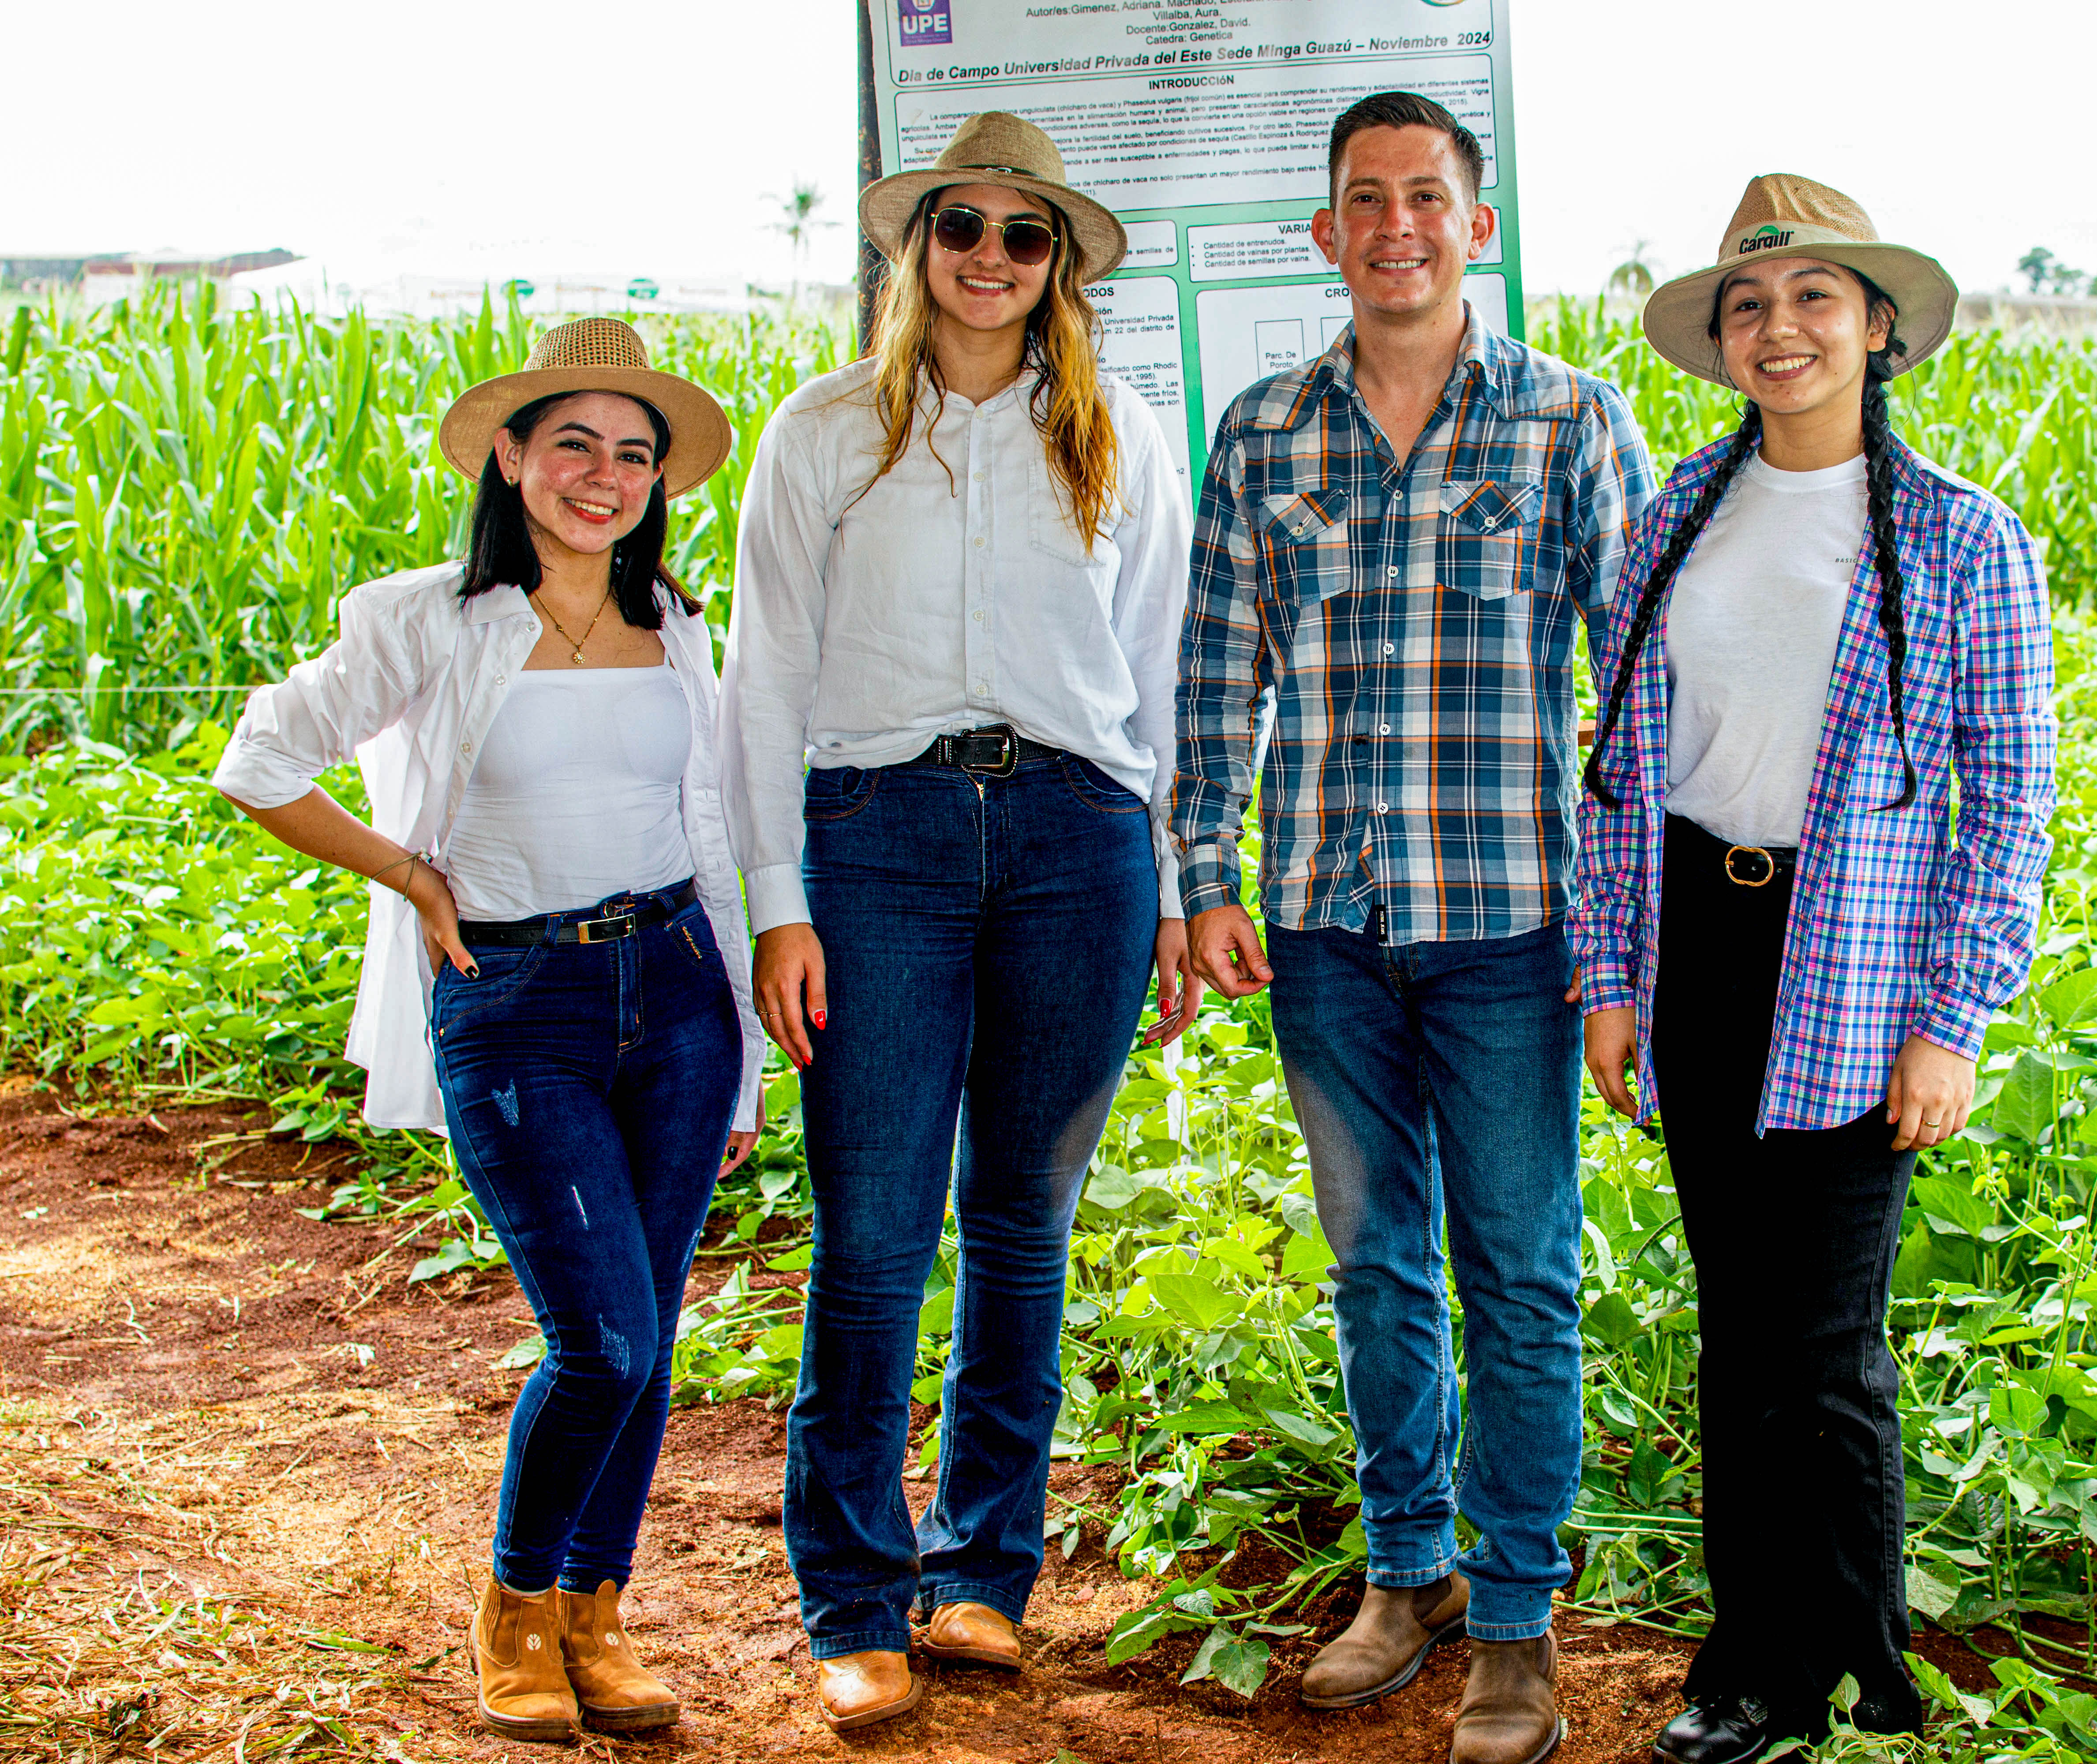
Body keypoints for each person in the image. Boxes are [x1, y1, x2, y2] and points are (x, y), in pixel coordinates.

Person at [1176, 89, 1652, 1764]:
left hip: (1514, 923)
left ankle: (1516, 1618)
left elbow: (1636, 695)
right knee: (1378, 1268)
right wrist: (1204, 874)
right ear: (1326, 233)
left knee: (1518, 1273)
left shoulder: (1570, 423)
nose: (1396, 225)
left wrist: (1627, 931)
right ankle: (1408, 1573)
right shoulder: (1262, 433)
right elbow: (1214, 669)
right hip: (1324, 922)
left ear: (1479, 226)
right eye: (1365, 200)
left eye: (1427, 198)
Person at [210, 316, 764, 1743]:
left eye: (634, 453)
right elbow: (259, 761)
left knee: (651, 1327)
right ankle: (517, 1611)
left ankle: (599, 1611)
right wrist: (404, 869)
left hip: (680, 996)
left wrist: (743, 1054)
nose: (604, 474)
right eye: (572, 441)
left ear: (661, 481)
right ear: (511, 457)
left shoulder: (678, 625)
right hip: (519, 1005)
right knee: (602, 1342)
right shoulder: (424, 616)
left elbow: (709, 838)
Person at [721, 111, 1199, 1731]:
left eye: (1022, 234)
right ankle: (852, 1593)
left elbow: (1166, 687)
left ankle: (983, 1569)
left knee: (1020, 1228)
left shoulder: (1124, 435)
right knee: (871, 1239)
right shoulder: (825, 432)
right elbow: (765, 677)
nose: (989, 256)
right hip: (879, 842)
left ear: (1059, 265)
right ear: (913, 250)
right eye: (960, 227)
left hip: (1080, 838)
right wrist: (776, 904)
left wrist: (1179, 892)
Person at [1571, 176, 2057, 1764]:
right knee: (1739, 1324)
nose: (1781, 330)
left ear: (1879, 328)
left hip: (1853, 954)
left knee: (1824, 1334)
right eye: (1750, 308)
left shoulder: (1962, 542)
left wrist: (1953, 1021)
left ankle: (1859, 1653)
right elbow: (1625, 764)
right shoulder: (1672, 523)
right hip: (1701, 934)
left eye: (1815, 302)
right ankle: (1762, 1666)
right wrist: (1613, 976)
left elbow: (2010, 795)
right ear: (1722, 344)